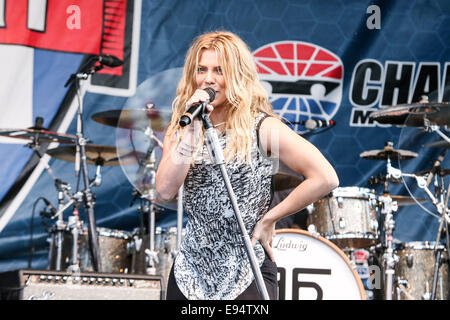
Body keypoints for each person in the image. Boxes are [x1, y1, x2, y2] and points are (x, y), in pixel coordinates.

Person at [156, 30, 339, 300]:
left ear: (237, 75)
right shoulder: (182, 127)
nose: (208, 78)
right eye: (202, 69)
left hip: (246, 269)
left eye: (220, 70)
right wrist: (192, 134)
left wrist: (270, 218)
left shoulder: (261, 127)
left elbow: (325, 177)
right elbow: (164, 190)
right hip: (191, 272)